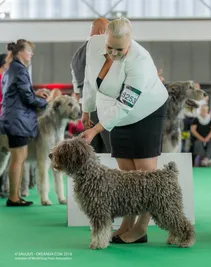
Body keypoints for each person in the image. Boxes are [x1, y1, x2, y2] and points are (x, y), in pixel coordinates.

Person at [79, 17, 169, 244]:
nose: (114, 52)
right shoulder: (93, 46)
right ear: (104, 38)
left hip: (146, 109)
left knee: (146, 175)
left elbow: (126, 105)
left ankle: (141, 228)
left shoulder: (139, 61)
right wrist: (87, 111)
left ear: (130, 42)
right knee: (126, 172)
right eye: (110, 47)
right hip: (113, 112)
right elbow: (90, 82)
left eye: (120, 49)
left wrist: (96, 130)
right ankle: (127, 224)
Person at [0, 40, 49, 206]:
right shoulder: (19, 70)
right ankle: (13, 198)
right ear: (20, 52)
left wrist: (36, 93)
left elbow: (20, 93)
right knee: (18, 158)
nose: (32, 54)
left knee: (19, 158)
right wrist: (45, 103)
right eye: (29, 51)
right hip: (17, 121)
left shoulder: (11, 68)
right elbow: (26, 98)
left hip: (13, 118)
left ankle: (15, 196)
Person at [71, 17, 111, 153]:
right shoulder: (100, 46)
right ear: (101, 31)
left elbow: (76, 88)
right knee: (111, 150)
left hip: (87, 109)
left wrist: (85, 110)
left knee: (94, 152)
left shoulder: (76, 55)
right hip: (104, 104)